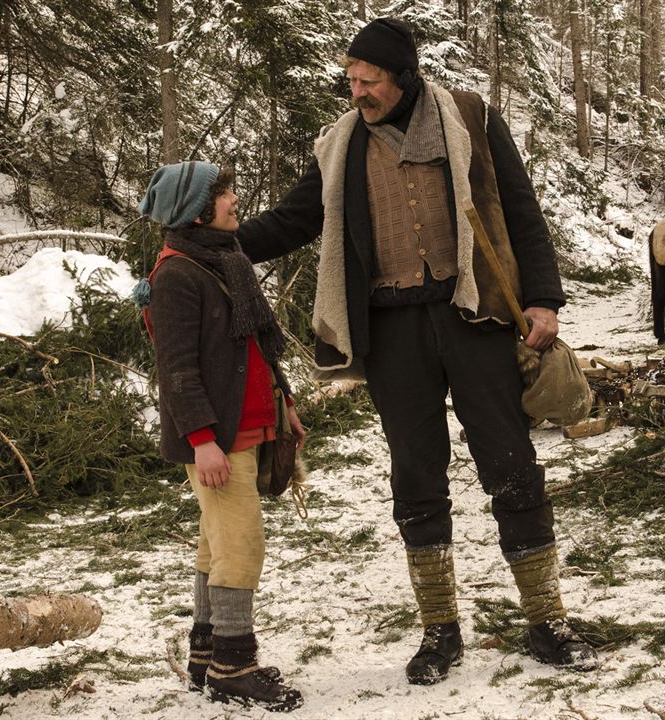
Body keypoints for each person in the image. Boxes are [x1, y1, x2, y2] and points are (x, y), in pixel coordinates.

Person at [237, 18, 598, 685]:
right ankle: (439, 629)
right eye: (349, 81)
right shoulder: (340, 146)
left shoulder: (470, 119)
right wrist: (217, 242)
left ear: (401, 77)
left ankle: (546, 619)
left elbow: (521, 213)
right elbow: (293, 219)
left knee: (512, 464)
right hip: (392, 332)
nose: (357, 94)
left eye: (367, 81)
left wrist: (543, 300)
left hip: (476, 318)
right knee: (415, 476)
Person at [138, 160, 306, 711]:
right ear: (197, 210)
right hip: (217, 439)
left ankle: (206, 654)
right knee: (241, 542)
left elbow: (256, 348)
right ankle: (236, 665)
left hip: (248, 425)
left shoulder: (224, 260)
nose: (236, 199)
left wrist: (286, 405)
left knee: (216, 542)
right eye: (226, 193)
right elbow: (177, 369)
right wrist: (202, 440)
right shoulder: (177, 275)